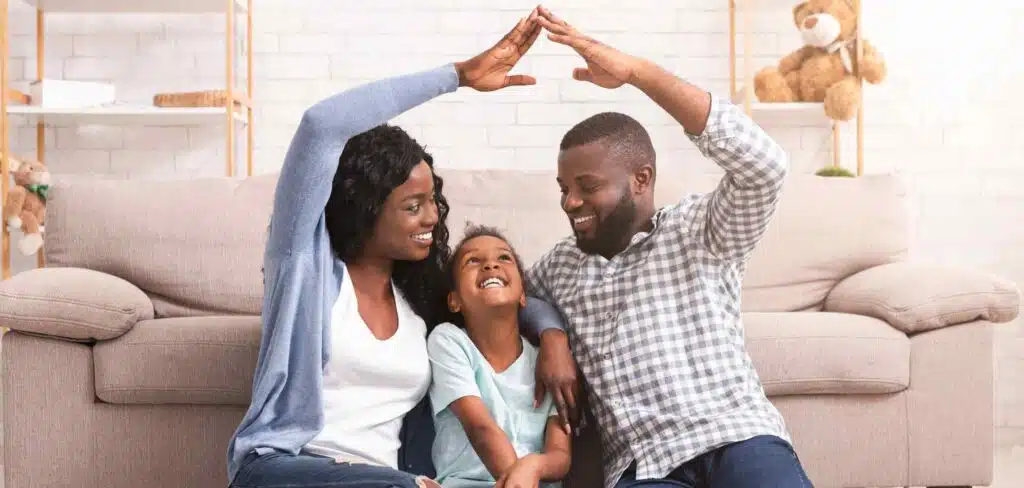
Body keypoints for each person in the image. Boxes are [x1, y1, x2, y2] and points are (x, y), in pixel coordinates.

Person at [225, 8, 575, 488]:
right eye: (413, 206)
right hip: (285, 470)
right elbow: (320, 125)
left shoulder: (421, 301)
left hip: (394, 481)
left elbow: (500, 294)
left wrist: (553, 336)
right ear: (366, 209)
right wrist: (460, 75)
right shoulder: (304, 267)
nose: (433, 217)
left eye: (432, 200)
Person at [521, 7, 815, 488]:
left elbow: (765, 167)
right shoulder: (561, 266)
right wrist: (551, 333)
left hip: (737, 439)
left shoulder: (700, 231)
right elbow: (514, 294)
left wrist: (638, 73)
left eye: (586, 186)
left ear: (641, 180)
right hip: (643, 467)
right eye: (563, 187)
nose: (570, 202)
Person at [427, 225, 572, 488]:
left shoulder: (545, 364)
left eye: (503, 258)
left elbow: (560, 455)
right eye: (473, 261)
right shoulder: (448, 341)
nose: (491, 266)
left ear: (523, 296)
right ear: (454, 301)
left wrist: (534, 464)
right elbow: (480, 428)